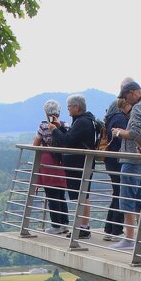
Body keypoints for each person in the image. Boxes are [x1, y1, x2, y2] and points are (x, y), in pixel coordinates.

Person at [48, 93, 99, 239]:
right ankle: (82, 227)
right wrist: (61, 129)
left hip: (79, 164)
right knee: (83, 195)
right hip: (82, 163)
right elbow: (72, 138)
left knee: (81, 196)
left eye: (69, 107)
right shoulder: (85, 120)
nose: (68, 110)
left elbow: (67, 141)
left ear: (77, 107)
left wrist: (55, 131)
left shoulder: (82, 122)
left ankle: (82, 228)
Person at [110, 81, 141, 251]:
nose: (125, 100)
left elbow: (134, 133)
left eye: (126, 96)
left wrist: (118, 132)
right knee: (140, 201)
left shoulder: (138, 108)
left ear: (132, 92)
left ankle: (129, 238)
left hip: (132, 160)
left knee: (127, 201)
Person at [31, 99, 69, 232]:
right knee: (61, 193)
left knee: (51, 193)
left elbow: (35, 144)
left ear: (46, 113)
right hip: (62, 162)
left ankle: (56, 225)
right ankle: (64, 223)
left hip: (48, 162)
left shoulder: (43, 126)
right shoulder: (65, 125)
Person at [101, 98, 129, 240]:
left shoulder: (111, 118)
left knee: (117, 193)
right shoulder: (119, 118)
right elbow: (121, 138)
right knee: (120, 193)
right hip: (117, 160)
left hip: (111, 160)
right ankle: (116, 230)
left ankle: (110, 229)